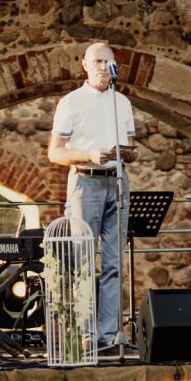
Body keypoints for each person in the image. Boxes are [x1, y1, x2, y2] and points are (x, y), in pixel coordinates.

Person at [48, 41, 138, 347]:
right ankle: (86, 333)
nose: (103, 67)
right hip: (85, 181)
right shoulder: (71, 102)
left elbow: (130, 145)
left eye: (107, 62)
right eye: (97, 61)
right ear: (85, 66)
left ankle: (109, 333)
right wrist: (88, 154)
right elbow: (55, 152)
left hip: (118, 180)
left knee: (115, 261)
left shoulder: (121, 102)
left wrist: (127, 153)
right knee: (83, 259)